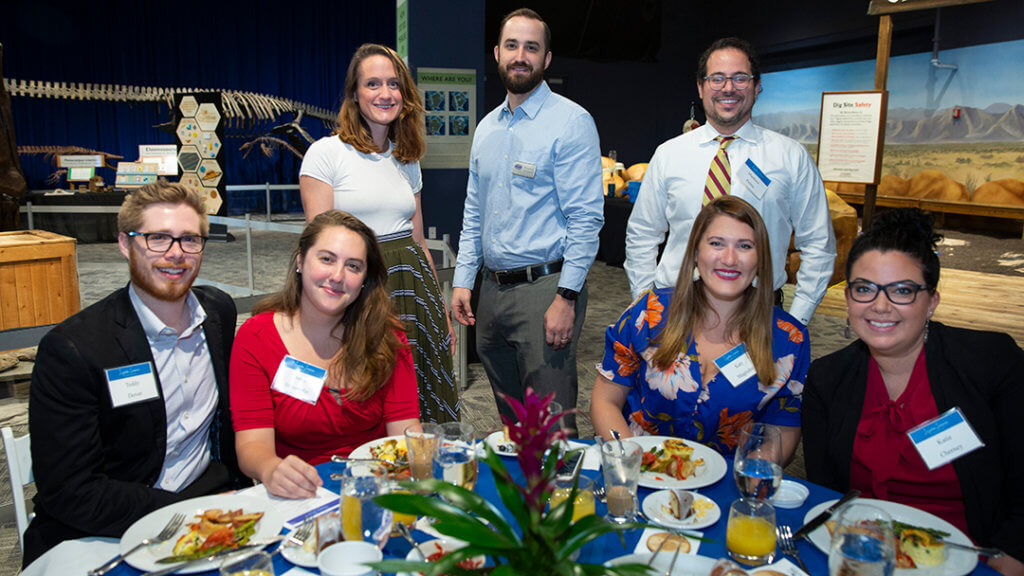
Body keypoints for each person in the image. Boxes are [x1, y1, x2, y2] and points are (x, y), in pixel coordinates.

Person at [24, 182, 242, 566]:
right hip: (100, 532)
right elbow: (70, 490)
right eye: (158, 238)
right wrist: (180, 513)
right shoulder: (74, 349)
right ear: (125, 244)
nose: (176, 254)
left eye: (190, 240)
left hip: (207, 510)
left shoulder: (218, 314)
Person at [803, 208, 1024, 574]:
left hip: (973, 562)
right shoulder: (826, 379)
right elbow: (829, 497)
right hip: (862, 558)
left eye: (902, 291)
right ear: (847, 300)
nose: (880, 305)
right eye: (863, 289)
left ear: (932, 301)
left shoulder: (992, 363)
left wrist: (1005, 561)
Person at [451, 8, 603, 433]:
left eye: (532, 48)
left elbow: (586, 219)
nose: (521, 56)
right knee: (514, 423)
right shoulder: (486, 129)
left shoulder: (571, 122)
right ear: (497, 53)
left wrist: (567, 297)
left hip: (546, 291)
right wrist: (464, 279)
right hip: (492, 293)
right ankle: (523, 497)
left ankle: (556, 499)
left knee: (552, 428)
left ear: (547, 59)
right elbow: (474, 211)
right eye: (512, 46)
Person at [624, 36, 835, 326]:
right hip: (675, 306)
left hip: (758, 313)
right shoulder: (669, 154)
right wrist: (645, 303)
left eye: (740, 78)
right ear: (700, 87)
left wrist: (796, 321)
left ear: (757, 86)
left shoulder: (790, 157)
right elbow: (643, 234)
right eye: (717, 78)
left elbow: (819, 244)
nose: (728, 88)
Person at [300, 43, 458, 424]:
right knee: (364, 393)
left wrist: (440, 307)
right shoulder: (326, 154)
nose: (384, 93)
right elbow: (317, 248)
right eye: (372, 84)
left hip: (413, 287)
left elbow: (418, 239)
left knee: (420, 398)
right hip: (359, 287)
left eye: (393, 84)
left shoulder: (407, 156)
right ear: (355, 93)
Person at [592, 196, 807, 461]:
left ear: (760, 257)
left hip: (725, 487)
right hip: (640, 472)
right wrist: (628, 468)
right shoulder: (649, 313)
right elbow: (605, 401)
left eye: (744, 246)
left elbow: (783, 427)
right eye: (716, 243)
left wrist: (746, 483)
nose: (729, 259)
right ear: (695, 252)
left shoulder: (789, 339)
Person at [230, 210, 420, 499]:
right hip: (298, 495)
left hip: (374, 488)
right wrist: (270, 468)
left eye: (354, 266)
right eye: (327, 259)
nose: (337, 276)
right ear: (300, 260)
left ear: (365, 278)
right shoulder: (256, 337)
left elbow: (405, 430)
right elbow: (251, 445)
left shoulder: (387, 336)